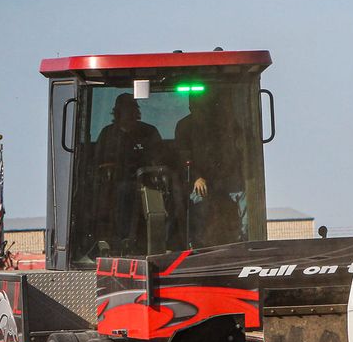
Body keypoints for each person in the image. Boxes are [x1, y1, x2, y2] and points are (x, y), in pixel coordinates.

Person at [174, 89, 247, 246]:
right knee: (199, 201)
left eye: (204, 105)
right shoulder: (184, 126)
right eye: (197, 105)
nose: (201, 109)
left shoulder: (221, 126)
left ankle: (245, 240)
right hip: (199, 181)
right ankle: (198, 244)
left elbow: (235, 150)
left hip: (224, 178)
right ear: (190, 106)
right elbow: (183, 158)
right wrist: (196, 178)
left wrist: (228, 173)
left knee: (243, 197)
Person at [96, 93, 164, 247]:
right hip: (115, 185)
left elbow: (159, 158)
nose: (130, 113)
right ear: (118, 112)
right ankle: (123, 241)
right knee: (123, 193)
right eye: (126, 109)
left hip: (149, 183)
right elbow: (97, 162)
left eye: (133, 108)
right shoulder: (107, 135)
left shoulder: (149, 132)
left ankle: (161, 242)